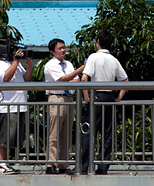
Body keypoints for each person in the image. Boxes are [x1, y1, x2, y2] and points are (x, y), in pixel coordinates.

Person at [81, 30, 128, 175]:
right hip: (110, 97)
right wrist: (118, 98)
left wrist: (86, 96)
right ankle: (103, 167)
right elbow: (125, 80)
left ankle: (84, 166)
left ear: (98, 42)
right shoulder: (114, 60)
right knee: (107, 133)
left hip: (97, 96)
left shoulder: (93, 57)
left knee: (88, 131)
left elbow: (84, 78)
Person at [44, 38, 85, 175]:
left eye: (63, 47)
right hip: (56, 98)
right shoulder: (50, 65)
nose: (63, 50)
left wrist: (70, 78)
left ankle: (63, 164)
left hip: (69, 99)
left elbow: (76, 81)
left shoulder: (68, 64)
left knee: (67, 134)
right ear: (52, 51)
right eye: (59, 48)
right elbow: (62, 79)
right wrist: (78, 71)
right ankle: (51, 164)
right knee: (54, 133)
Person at [0, 45, 33, 174]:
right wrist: (16, 61)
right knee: (3, 137)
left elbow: (26, 78)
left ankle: (5, 163)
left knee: (10, 138)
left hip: (18, 106)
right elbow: (6, 78)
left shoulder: (16, 63)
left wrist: (29, 66)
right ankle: (0, 165)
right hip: (5, 106)